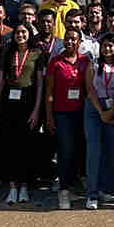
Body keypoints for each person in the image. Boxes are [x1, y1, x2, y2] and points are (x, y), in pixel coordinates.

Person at [0, 21, 44, 204]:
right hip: (8, 102)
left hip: (28, 101)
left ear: (29, 34)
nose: (20, 35)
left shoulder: (37, 54)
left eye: (23, 32)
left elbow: (39, 84)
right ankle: (13, 187)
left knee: (26, 146)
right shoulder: (8, 53)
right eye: (17, 33)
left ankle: (24, 187)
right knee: (10, 145)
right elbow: (0, 81)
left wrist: (37, 109)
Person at [46, 24, 90, 209]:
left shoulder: (85, 62)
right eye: (67, 38)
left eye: (74, 39)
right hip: (62, 113)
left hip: (82, 112)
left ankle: (75, 185)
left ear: (80, 42)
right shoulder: (55, 62)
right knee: (65, 150)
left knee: (80, 149)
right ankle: (63, 190)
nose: (70, 41)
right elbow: (49, 92)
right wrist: (49, 117)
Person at [84, 33, 114, 209]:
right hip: (94, 108)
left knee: (109, 149)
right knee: (93, 151)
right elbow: (90, 89)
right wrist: (101, 112)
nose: (107, 49)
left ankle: (105, 190)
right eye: (105, 45)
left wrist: (111, 111)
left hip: (113, 108)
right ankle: (92, 194)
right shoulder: (94, 64)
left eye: (111, 46)